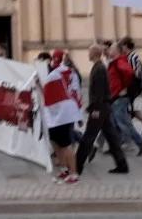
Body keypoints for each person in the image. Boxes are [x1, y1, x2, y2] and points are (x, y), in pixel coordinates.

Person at [75, 44, 128, 174]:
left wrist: (95, 109)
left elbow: (99, 92)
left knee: (88, 136)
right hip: (104, 107)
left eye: (89, 52)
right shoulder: (99, 67)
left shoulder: (98, 69)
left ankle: (77, 166)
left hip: (100, 108)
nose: (88, 54)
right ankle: (122, 164)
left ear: (94, 54)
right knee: (111, 137)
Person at [41, 49, 81, 184]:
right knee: (55, 140)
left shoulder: (60, 72)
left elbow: (46, 86)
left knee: (65, 143)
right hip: (58, 111)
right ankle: (64, 169)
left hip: (62, 112)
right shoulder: (68, 72)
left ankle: (73, 173)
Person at [108, 39, 142, 153]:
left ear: (117, 51)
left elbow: (130, 73)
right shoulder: (116, 62)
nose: (109, 50)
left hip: (119, 98)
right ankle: (135, 143)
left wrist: (124, 88)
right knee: (120, 122)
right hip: (115, 97)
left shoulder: (120, 62)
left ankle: (139, 142)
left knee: (123, 123)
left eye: (112, 49)